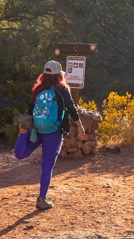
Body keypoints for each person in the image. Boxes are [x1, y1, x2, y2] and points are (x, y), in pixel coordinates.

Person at [14, 60, 85, 210]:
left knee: (21, 154)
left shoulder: (38, 89)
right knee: (47, 167)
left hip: (37, 130)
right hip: (53, 132)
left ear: (44, 74)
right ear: (59, 75)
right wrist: (79, 126)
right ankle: (42, 199)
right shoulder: (62, 89)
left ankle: (20, 143)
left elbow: (29, 111)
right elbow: (71, 108)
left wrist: (24, 132)